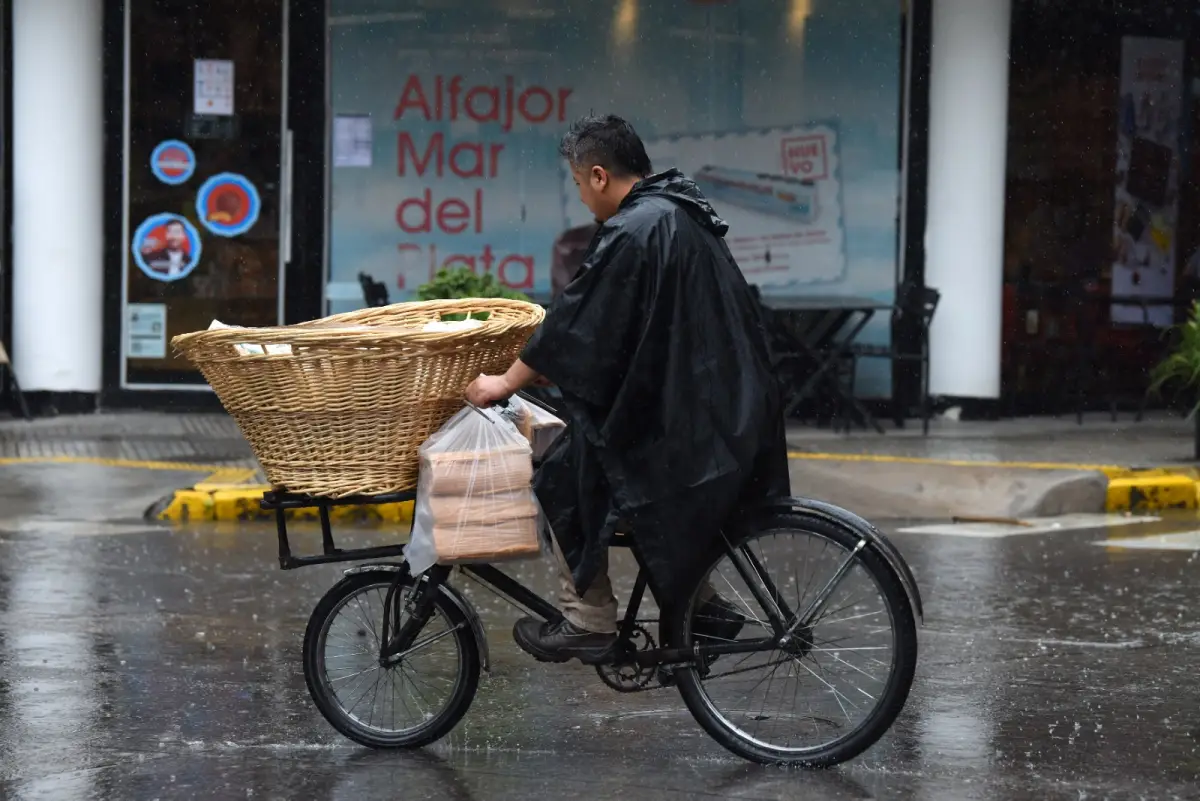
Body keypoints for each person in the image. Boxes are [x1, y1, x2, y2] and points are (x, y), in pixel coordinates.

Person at [466, 114, 790, 664]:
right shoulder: (679, 212)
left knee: (568, 476)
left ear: (597, 175)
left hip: (687, 420)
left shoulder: (634, 229)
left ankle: (587, 619)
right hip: (723, 407)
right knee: (626, 492)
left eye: (576, 184)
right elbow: (632, 325)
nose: (581, 199)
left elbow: (576, 320)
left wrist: (505, 380)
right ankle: (701, 604)